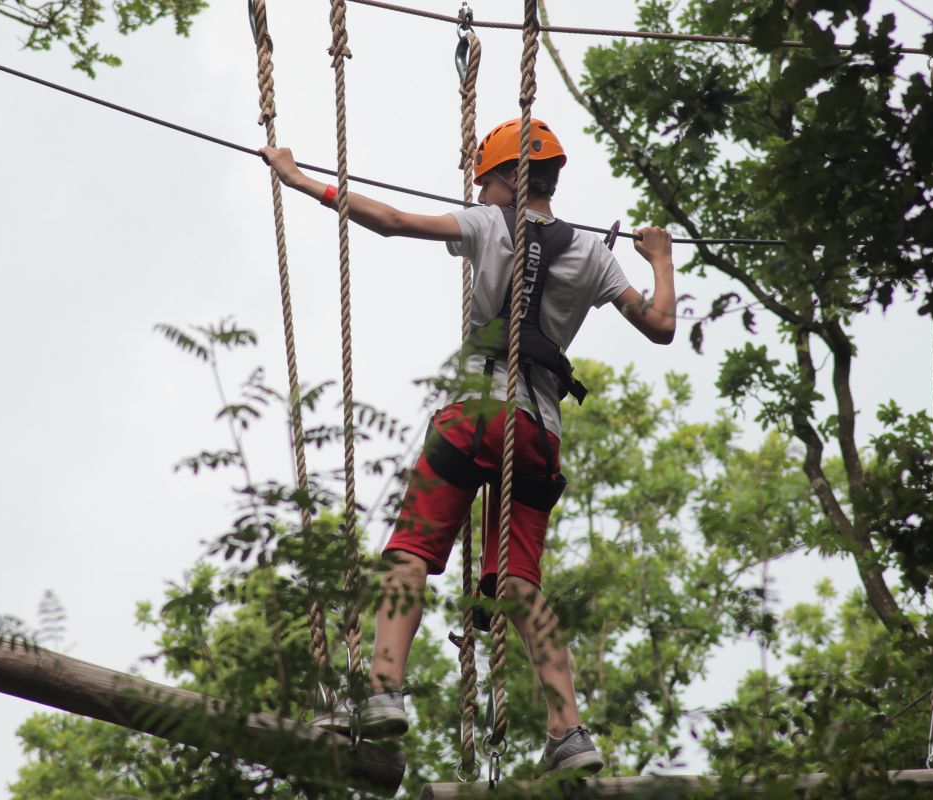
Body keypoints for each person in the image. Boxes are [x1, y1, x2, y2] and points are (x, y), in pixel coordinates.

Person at [260, 117, 675, 776]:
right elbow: (659, 326)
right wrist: (659, 258)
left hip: (473, 419)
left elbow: (392, 221)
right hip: (537, 436)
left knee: (409, 553)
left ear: (510, 178)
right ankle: (568, 732)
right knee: (518, 582)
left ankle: (383, 689)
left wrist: (297, 178)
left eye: (485, 182)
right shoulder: (596, 256)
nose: (479, 195)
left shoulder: (489, 226)